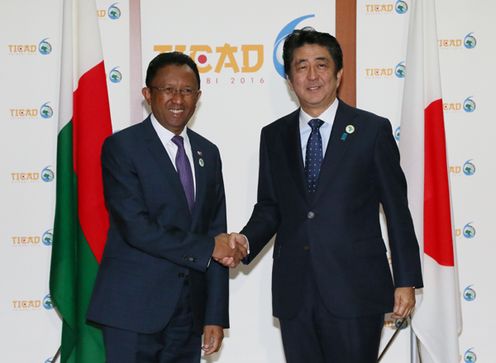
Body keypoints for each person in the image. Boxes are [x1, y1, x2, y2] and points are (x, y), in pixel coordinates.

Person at [228, 28, 423, 363]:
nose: (312, 75)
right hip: (296, 292)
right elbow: (270, 207)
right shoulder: (274, 136)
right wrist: (245, 241)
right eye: (301, 66)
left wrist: (405, 280)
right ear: (289, 79)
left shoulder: (371, 130)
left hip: (356, 289)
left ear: (338, 74)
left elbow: (396, 209)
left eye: (321, 65)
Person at [87, 52, 246, 363]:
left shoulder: (207, 153)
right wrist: (208, 247)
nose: (178, 99)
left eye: (187, 91)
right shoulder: (122, 147)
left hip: (188, 317)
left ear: (198, 97)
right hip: (131, 312)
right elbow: (137, 228)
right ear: (148, 95)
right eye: (167, 89)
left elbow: (215, 230)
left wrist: (214, 315)